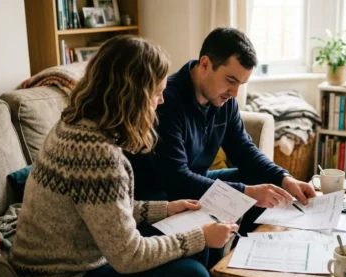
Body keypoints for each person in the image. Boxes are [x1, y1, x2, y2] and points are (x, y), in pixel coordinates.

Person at [10, 35, 238, 277]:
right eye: (156, 93)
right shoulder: (98, 155)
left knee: (190, 241)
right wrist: (200, 236)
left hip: (66, 266)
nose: (161, 101)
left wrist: (166, 208)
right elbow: (129, 256)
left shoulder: (76, 125)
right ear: (132, 96)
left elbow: (105, 208)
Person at [131, 27, 316, 239]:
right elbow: (177, 179)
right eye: (230, 80)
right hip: (161, 194)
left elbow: (244, 151)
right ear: (205, 65)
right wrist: (247, 193)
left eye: (241, 83)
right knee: (252, 192)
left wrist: (285, 179)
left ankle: (248, 250)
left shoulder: (225, 102)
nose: (235, 93)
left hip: (197, 179)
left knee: (265, 183)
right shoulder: (165, 101)